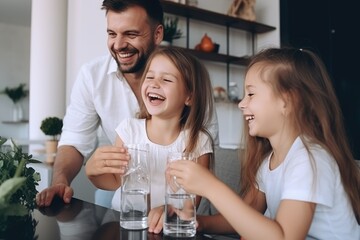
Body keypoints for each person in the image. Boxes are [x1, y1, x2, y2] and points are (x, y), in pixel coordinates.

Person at [34, 0, 219, 208]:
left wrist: (176, 211)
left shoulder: (190, 78)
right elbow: (75, 140)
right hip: (126, 207)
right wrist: (62, 180)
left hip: (182, 216)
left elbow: (203, 160)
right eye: (112, 34)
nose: (119, 45)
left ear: (157, 34)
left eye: (131, 34)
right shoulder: (92, 76)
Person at [167, 47, 360, 239]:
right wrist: (200, 222)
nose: (242, 103)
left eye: (251, 94)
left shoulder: (310, 159)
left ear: (287, 100)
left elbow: (284, 237)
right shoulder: (269, 163)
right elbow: (246, 216)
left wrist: (210, 186)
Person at [85, 46, 215, 234]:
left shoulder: (198, 141)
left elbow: (190, 204)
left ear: (189, 96)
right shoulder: (129, 130)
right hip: (123, 223)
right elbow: (114, 181)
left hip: (167, 230)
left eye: (166, 79)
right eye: (150, 77)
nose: (154, 84)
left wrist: (168, 211)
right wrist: (92, 172)